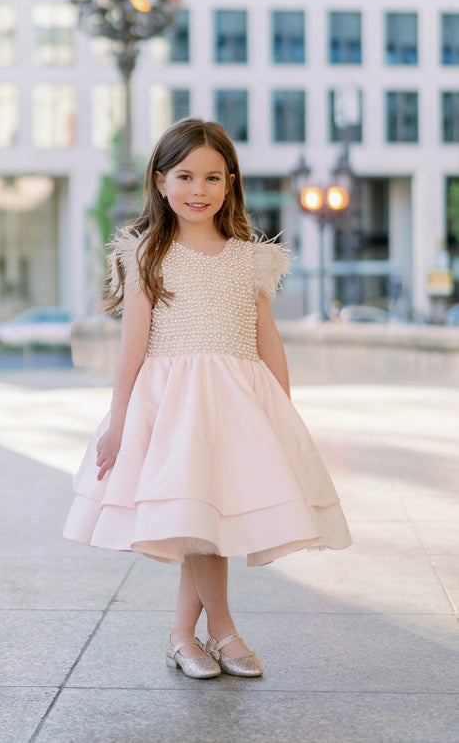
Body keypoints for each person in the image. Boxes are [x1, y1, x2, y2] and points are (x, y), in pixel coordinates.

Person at [64, 117, 351, 679]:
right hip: (174, 408)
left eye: (213, 177)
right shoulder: (146, 253)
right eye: (186, 176)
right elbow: (132, 346)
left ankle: (182, 636)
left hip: (239, 403)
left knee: (208, 517)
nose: (199, 190)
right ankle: (222, 631)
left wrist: (282, 418)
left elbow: (268, 339)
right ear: (161, 181)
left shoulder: (251, 257)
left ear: (231, 182)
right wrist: (119, 420)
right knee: (200, 514)